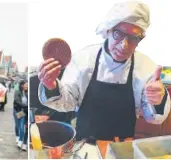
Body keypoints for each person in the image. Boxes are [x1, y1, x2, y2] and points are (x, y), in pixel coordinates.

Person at [38, 1, 170, 141]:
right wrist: (51, 86)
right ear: (108, 30)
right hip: (84, 148)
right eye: (118, 34)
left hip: (122, 149)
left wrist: (157, 101)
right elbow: (67, 102)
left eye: (133, 38)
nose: (124, 45)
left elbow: (154, 118)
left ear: (140, 39)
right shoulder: (83, 60)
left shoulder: (146, 68)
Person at [13, 81, 28, 149]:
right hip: (17, 111)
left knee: (22, 128)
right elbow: (17, 101)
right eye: (25, 85)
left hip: (23, 112)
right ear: (22, 85)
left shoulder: (26, 93)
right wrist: (25, 106)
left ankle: (20, 141)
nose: (27, 86)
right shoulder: (17, 92)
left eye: (27, 85)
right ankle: (17, 136)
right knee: (17, 125)